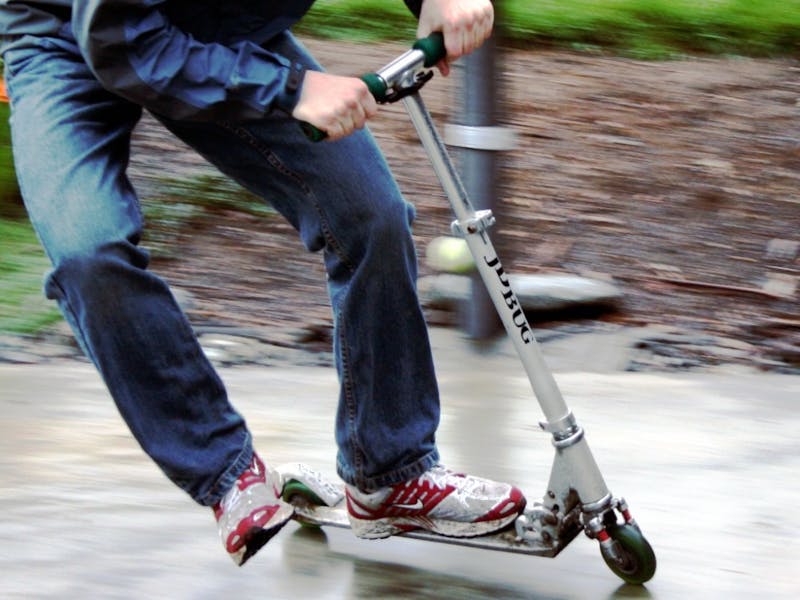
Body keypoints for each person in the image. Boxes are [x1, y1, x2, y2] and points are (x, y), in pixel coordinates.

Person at [0, 0, 526, 566]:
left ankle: (391, 470)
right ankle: (224, 470)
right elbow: (123, 43)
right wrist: (291, 89)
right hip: (68, 38)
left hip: (219, 23)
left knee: (369, 216)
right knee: (89, 254)